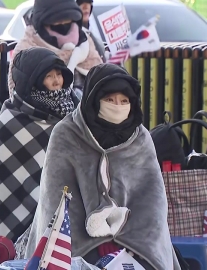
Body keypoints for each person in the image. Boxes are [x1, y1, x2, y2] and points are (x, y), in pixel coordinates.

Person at [24, 64, 180, 269]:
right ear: (93, 100)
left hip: (137, 244)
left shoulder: (140, 139)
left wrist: (127, 240)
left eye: (124, 101)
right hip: (78, 246)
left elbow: (153, 203)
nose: (117, 106)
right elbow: (57, 203)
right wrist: (98, 244)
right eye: (109, 100)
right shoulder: (66, 134)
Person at [0, 47, 77, 242]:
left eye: (59, 74)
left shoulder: (73, 115)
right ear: (31, 82)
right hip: (6, 229)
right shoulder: (10, 122)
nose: (57, 81)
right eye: (48, 76)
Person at [8, 0, 103, 98]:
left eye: (67, 20)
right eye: (57, 21)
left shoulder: (86, 43)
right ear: (43, 23)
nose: (63, 24)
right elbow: (18, 96)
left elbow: (103, 81)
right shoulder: (26, 49)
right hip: (43, 110)